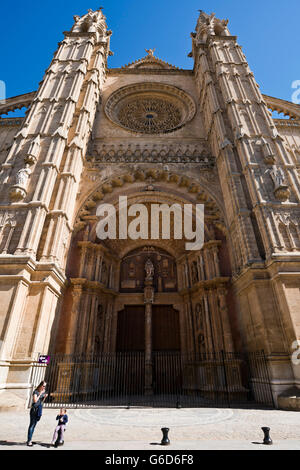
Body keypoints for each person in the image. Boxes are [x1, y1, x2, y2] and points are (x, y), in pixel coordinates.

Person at [27, 381, 48, 447]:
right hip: (34, 410)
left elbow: (41, 401)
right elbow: (35, 401)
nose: (44, 387)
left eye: (45, 386)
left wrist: (44, 397)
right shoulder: (35, 392)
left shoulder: (43, 391)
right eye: (43, 386)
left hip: (39, 409)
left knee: (34, 425)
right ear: (40, 385)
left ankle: (30, 439)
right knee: (32, 425)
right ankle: (29, 441)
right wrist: (40, 394)